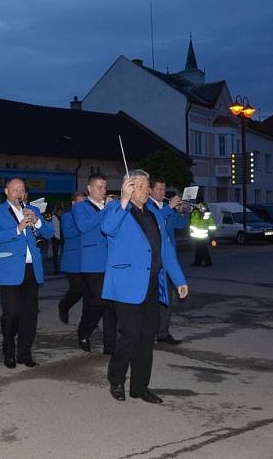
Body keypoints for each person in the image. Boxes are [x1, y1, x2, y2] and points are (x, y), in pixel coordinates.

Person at [101, 170, 189, 403]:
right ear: (127, 187)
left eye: (145, 185)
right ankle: (116, 379)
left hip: (152, 282)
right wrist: (123, 200)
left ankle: (140, 386)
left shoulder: (155, 214)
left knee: (147, 336)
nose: (144, 189)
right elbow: (107, 229)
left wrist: (179, 280)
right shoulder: (115, 209)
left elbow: (165, 249)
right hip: (126, 284)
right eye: (138, 186)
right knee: (131, 333)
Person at [0, 178, 54, 369]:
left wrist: (37, 222)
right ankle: (8, 351)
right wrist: (17, 229)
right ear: (6, 191)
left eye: (22, 190)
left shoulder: (33, 210)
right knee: (12, 313)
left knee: (29, 314)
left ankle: (24, 353)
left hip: (31, 268)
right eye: (15, 190)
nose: (19, 193)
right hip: (9, 268)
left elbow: (49, 233)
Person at [73, 173, 117, 355]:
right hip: (92, 262)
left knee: (112, 305)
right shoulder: (81, 207)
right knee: (99, 301)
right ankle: (84, 332)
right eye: (99, 187)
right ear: (89, 189)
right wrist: (106, 210)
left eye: (105, 187)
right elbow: (84, 226)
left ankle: (110, 345)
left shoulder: (109, 206)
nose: (103, 190)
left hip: (112, 261)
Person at [148, 177, 189, 345]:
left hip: (168, 261)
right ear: (150, 190)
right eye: (159, 189)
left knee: (167, 300)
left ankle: (163, 332)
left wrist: (183, 211)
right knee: (151, 300)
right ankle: (148, 333)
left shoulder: (166, 208)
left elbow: (180, 225)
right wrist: (170, 208)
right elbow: (153, 220)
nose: (162, 193)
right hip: (153, 262)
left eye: (164, 190)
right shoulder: (147, 208)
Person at [58, 192, 86, 324]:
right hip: (73, 260)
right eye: (79, 203)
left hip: (88, 259)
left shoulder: (89, 216)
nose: (82, 206)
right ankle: (64, 306)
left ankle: (88, 320)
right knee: (77, 290)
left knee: (90, 292)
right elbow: (68, 234)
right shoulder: (67, 217)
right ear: (74, 203)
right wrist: (83, 226)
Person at [190, 198, 213, 267]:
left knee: (202, 249)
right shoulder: (204, 209)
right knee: (200, 248)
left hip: (200, 233)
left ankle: (206, 262)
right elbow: (210, 221)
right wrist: (211, 234)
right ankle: (199, 261)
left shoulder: (197, 209)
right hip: (202, 232)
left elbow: (196, 222)